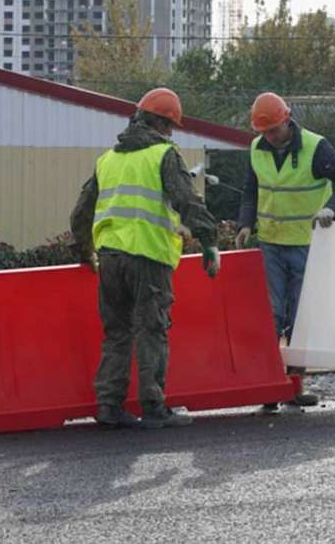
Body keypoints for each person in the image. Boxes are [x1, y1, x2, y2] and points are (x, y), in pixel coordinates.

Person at [70, 87, 221, 430]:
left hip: (109, 257)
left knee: (117, 332)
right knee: (152, 330)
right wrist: (210, 242)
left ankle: (109, 406)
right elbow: (188, 201)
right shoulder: (164, 155)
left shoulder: (108, 159)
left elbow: (80, 212)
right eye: (171, 127)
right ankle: (154, 407)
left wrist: (84, 252)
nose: (171, 134)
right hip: (148, 256)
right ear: (163, 125)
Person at [235, 92, 335, 411]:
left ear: (287, 120)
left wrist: (332, 209)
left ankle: (293, 386)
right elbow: (252, 190)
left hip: (306, 244)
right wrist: (245, 224)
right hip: (272, 244)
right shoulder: (256, 149)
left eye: (274, 130)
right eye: (264, 132)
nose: (270, 137)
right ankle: (269, 386)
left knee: (300, 318)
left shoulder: (316, 147)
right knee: (272, 315)